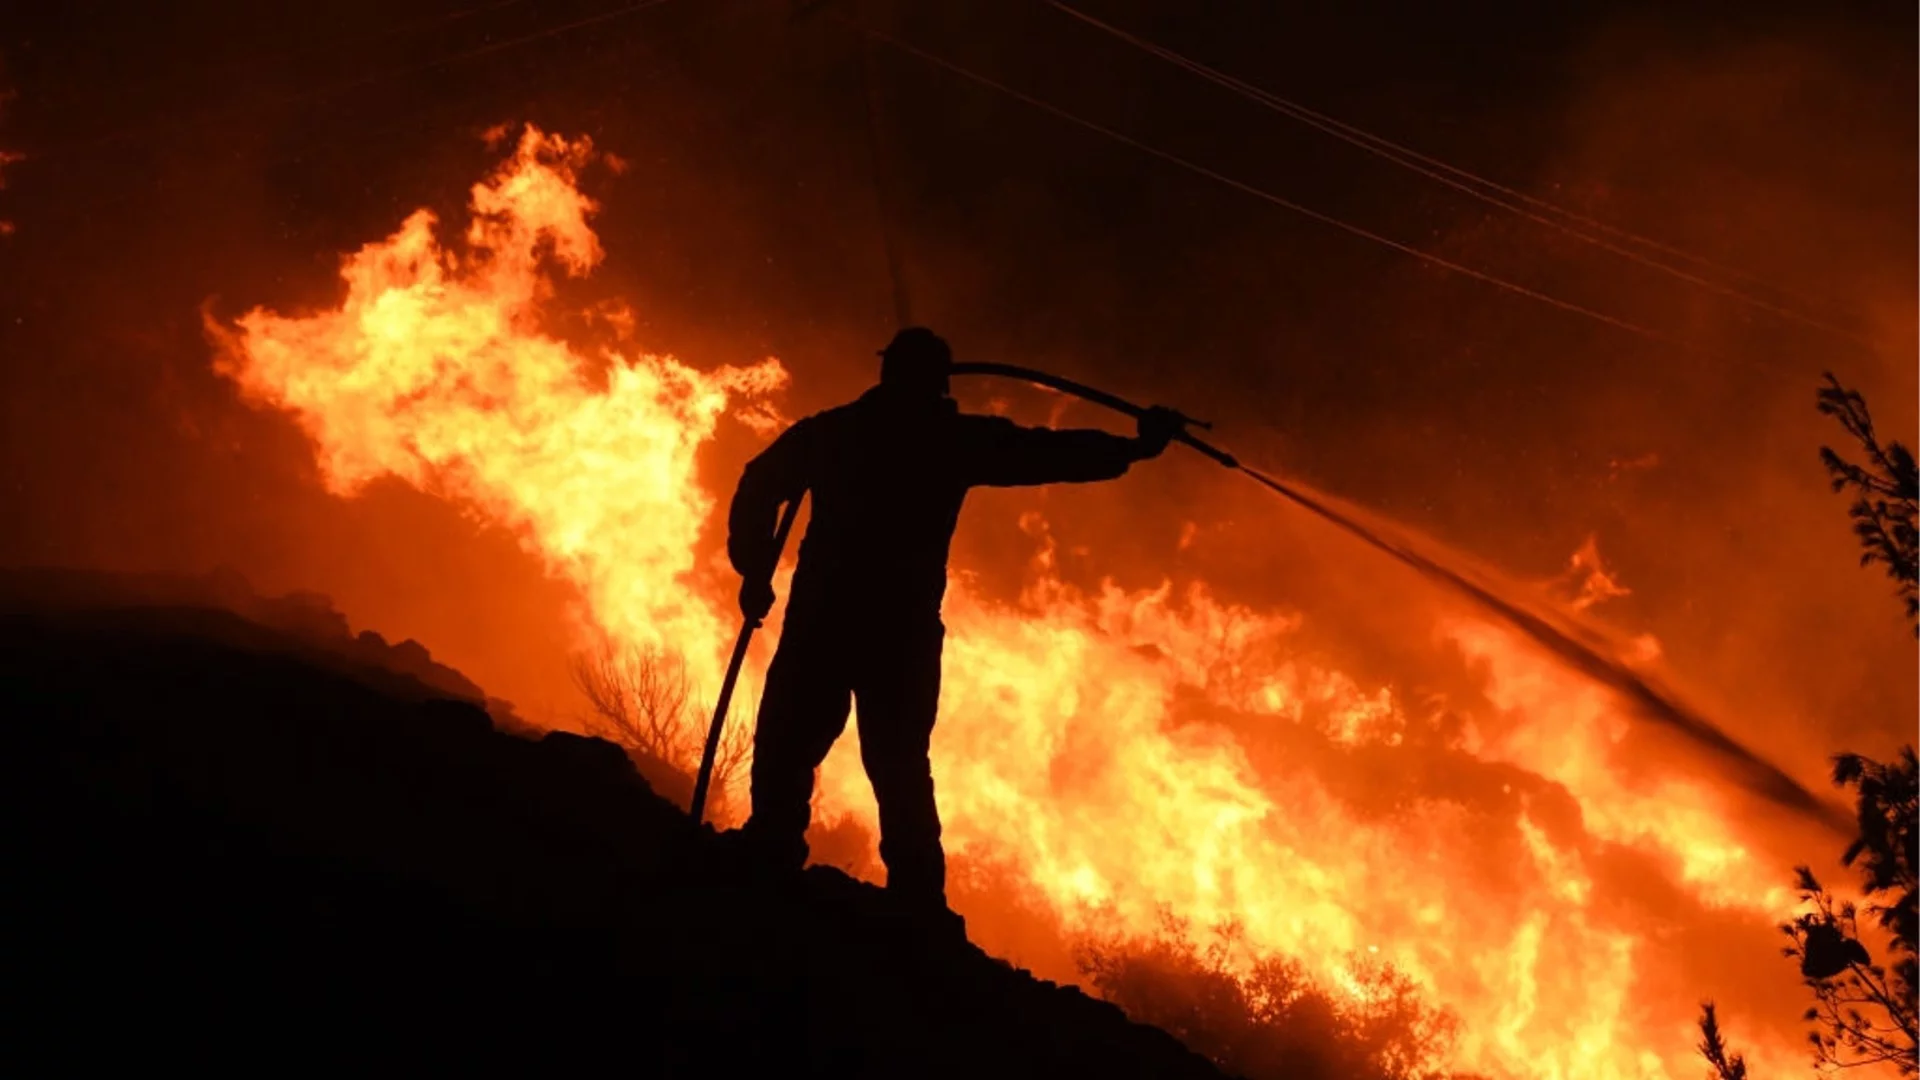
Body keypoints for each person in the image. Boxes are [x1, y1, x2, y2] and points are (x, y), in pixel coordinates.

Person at [724, 327, 1180, 922]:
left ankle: (772, 855)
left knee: (792, 743)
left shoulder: (835, 432)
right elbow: (1049, 452)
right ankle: (915, 904)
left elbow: (759, 484)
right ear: (938, 384)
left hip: (828, 620)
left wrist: (756, 569)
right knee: (897, 762)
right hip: (899, 631)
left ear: (886, 374)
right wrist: (1135, 448)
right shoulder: (951, 441)